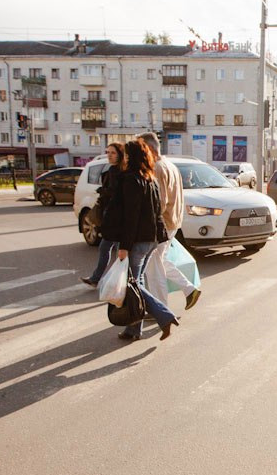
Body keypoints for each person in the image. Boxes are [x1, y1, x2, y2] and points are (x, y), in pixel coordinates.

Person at [115, 139, 180, 341]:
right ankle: (134, 329)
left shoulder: (130, 179)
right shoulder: (149, 177)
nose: (122, 158)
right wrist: (159, 237)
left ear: (130, 157)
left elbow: (131, 217)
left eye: (125, 155)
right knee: (137, 281)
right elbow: (156, 212)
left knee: (133, 285)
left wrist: (124, 246)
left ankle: (164, 316)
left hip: (138, 240)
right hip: (152, 238)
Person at [137, 132, 200, 311]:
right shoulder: (170, 165)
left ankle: (161, 309)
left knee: (153, 269)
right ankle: (190, 289)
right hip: (172, 222)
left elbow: (160, 203)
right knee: (159, 262)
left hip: (162, 224)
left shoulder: (157, 168)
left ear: (148, 149)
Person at [81, 142, 124, 287]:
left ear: (120, 154)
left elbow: (114, 193)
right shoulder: (119, 170)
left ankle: (101, 278)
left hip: (113, 216)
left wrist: (102, 191)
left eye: (113, 153)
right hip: (117, 216)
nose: (109, 155)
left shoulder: (115, 171)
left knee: (108, 248)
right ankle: (104, 278)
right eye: (108, 152)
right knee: (115, 248)